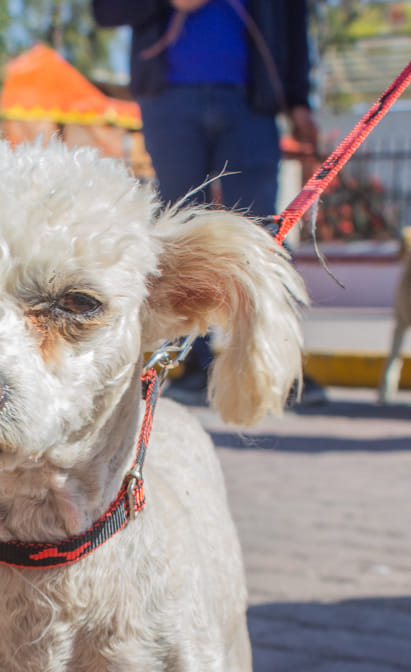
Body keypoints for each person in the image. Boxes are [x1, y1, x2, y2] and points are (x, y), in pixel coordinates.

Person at [93, 0, 325, 403]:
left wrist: (300, 100)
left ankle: (277, 369)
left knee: (264, 235)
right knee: (178, 234)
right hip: (170, 101)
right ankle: (187, 363)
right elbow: (106, 11)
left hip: (252, 103)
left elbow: (290, 21)